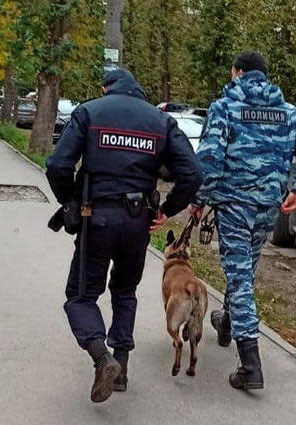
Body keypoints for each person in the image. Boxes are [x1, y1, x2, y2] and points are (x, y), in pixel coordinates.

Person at [46, 69, 202, 404]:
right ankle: (123, 368)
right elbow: (192, 173)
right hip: (138, 221)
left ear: (107, 88)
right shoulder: (161, 121)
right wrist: (167, 210)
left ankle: (103, 358)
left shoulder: (89, 111)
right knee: (125, 291)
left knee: (81, 295)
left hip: (96, 217)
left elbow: (58, 165)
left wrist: (70, 201)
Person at [188, 51, 296, 391]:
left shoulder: (225, 108)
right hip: (268, 207)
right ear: (264, 76)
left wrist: (198, 199)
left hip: (234, 205)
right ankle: (226, 324)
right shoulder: (288, 113)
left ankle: (251, 365)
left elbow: (209, 160)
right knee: (244, 272)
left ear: (237, 72)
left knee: (239, 279)